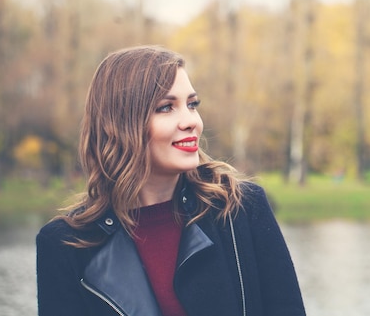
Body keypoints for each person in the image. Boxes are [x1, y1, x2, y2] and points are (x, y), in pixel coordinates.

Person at [36, 45, 306, 316]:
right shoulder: (65, 245)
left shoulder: (241, 209)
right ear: (119, 124)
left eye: (192, 104)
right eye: (166, 107)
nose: (190, 121)